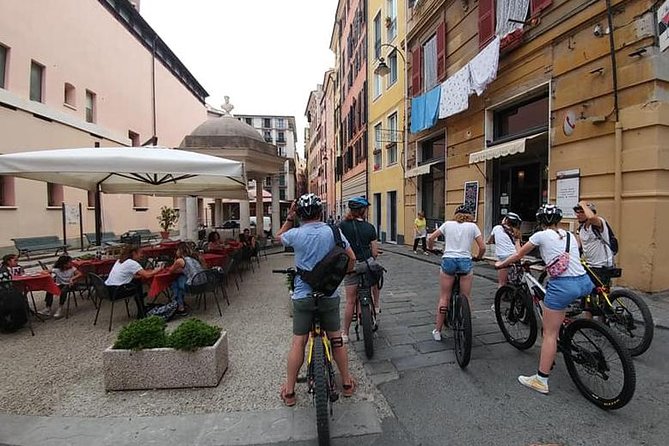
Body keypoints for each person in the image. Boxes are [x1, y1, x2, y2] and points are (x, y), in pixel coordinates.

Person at [495, 204, 594, 394]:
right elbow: (571, 253)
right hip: (584, 282)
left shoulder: (539, 236)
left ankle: (541, 380)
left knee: (549, 333)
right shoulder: (569, 235)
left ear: (540, 221)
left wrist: (501, 264)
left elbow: (518, 254)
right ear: (558, 220)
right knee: (557, 315)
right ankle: (561, 339)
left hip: (563, 286)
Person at [277, 193, 357, 407]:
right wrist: (346, 274)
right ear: (321, 212)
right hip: (329, 295)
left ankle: (290, 391)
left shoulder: (295, 234)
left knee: (298, 342)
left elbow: (278, 237)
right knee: (337, 339)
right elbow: (352, 258)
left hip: (303, 295)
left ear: (300, 214)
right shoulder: (333, 231)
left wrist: (289, 217)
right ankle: (347, 383)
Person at [426, 205, 485, 341]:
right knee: (466, 297)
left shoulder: (447, 224)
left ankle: (438, 330)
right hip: (465, 261)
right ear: (469, 215)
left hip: (449, 260)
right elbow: (482, 247)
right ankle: (467, 325)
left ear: (456, 214)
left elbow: (430, 238)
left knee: (444, 297)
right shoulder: (472, 226)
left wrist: (431, 249)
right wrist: (479, 256)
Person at [338, 196, 382, 343]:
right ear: (362, 211)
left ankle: (344, 333)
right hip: (366, 263)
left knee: (350, 301)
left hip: (351, 266)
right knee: (376, 274)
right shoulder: (370, 227)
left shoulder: (342, 226)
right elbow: (375, 253)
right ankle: (376, 305)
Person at [105, 246, 162, 318]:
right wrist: (158, 270)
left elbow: (128, 275)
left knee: (136, 281)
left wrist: (141, 275)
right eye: (140, 253)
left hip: (108, 290)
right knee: (137, 285)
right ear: (134, 253)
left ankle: (141, 307)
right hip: (117, 292)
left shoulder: (120, 260)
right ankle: (141, 311)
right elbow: (147, 275)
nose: (142, 255)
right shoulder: (131, 263)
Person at [573, 201, 615, 283]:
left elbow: (591, 218)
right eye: (577, 212)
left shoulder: (598, 224)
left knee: (601, 291)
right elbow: (578, 246)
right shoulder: (580, 229)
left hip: (602, 266)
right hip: (589, 266)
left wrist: (583, 204)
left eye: (582, 212)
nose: (578, 215)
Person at [167, 242, 205, 316]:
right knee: (181, 279)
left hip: (194, 287)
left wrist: (175, 261)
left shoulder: (180, 260)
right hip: (204, 284)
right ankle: (180, 304)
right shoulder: (196, 257)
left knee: (175, 283)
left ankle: (180, 307)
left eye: (177, 250)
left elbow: (170, 270)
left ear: (180, 250)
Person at [487, 212, 522, 288]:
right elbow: (518, 248)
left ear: (506, 220)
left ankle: (501, 297)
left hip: (503, 257)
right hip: (513, 256)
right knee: (516, 279)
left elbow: (490, 240)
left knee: (502, 283)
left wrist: (489, 242)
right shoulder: (516, 232)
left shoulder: (496, 228)